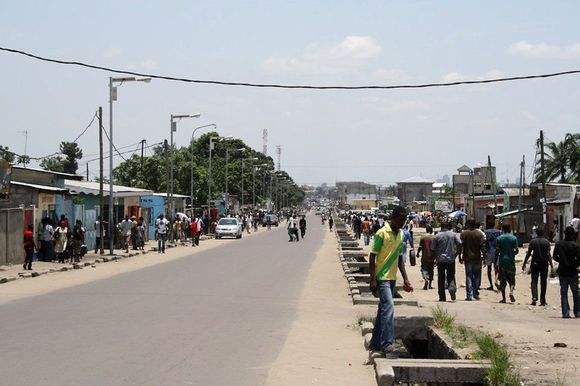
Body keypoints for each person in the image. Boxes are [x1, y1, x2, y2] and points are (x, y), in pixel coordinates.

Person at [368, 206, 413, 359]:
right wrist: (372, 279)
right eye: (401, 220)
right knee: (389, 307)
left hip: (392, 277)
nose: (402, 223)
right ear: (393, 218)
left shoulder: (401, 234)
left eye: (404, 220)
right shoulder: (381, 233)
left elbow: (400, 258)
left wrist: (406, 279)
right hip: (382, 277)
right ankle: (387, 344)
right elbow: (372, 256)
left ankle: (375, 343)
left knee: (383, 310)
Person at [552, 226, 579, 318]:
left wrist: (562, 261)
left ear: (564, 234)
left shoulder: (559, 244)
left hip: (562, 271)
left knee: (564, 293)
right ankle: (578, 312)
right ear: (572, 235)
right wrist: (574, 264)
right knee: (575, 293)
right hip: (573, 272)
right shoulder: (575, 245)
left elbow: (554, 256)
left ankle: (565, 313)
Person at [430, 221, 461, 302]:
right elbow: (460, 244)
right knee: (451, 276)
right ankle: (452, 290)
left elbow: (432, 249)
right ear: (448, 226)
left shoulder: (436, 236)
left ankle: (442, 297)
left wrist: (434, 259)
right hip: (451, 259)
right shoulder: (453, 234)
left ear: (441, 227)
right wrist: (456, 254)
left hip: (440, 260)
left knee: (441, 278)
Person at [522, 227, 553, 306]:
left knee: (534, 281)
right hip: (544, 264)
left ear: (536, 233)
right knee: (543, 282)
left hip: (535, 263)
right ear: (543, 233)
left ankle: (534, 298)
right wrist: (551, 264)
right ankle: (543, 300)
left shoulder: (533, 241)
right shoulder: (546, 242)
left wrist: (524, 263)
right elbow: (548, 254)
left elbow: (529, 253)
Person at [460, 219, 485, 301]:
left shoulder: (464, 233)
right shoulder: (479, 234)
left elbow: (461, 246)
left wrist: (459, 256)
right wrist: (484, 256)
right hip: (477, 258)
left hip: (467, 258)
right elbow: (482, 247)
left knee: (469, 276)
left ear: (468, 224)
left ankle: (469, 295)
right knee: (477, 276)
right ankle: (475, 293)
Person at [496, 223, 518, 303]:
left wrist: (496, 262)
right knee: (512, 279)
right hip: (511, 262)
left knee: (503, 280)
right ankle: (511, 292)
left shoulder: (499, 238)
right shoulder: (514, 238)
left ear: (503, 229)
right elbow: (516, 250)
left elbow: (497, 251)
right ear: (510, 229)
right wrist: (512, 254)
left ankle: (504, 298)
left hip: (502, 261)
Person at [484, 219, 501, 290]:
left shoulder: (486, 232)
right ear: (494, 225)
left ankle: (491, 285)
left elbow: (485, 242)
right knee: (496, 268)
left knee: (489, 268)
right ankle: (496, 280)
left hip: (489, 252)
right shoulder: (498, 232)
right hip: (497, 251)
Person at [417, 225, 435, 290]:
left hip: (424, 256)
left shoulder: (423, 237)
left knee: (424, 269)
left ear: (426, 230)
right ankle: (430, 285)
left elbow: (420, 247)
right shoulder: (434, 237)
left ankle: (425, 279)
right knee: (431, 270)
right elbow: (435, 248)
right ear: (431, 230)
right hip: (432, 257)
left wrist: (417, 253)